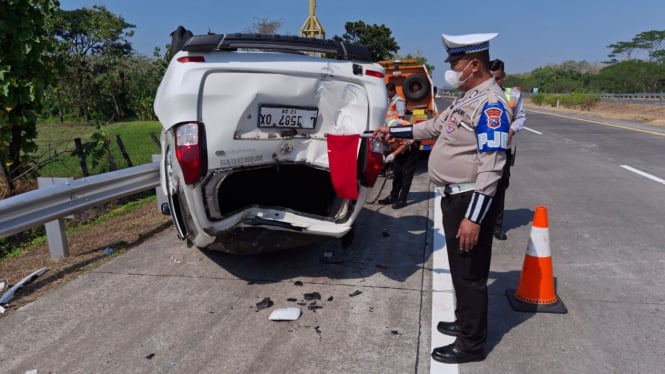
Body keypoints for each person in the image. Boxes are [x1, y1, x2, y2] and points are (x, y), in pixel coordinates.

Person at [374, 32, 512, 364]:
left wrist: (474, 218)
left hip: (468, 200)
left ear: (474, 65)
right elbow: (435, 127)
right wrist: (395, 131)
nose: (451, 69)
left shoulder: (490, 105)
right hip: (454, 198)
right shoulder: (468, 97)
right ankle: (465, 322)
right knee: (461, 271)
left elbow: (493, 167)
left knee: (470, 275)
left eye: (456, 63)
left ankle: (471, 344)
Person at [489, 59, 526, 240]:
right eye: (491, 78)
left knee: (500, 187)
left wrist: (512, 129)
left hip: (503, 149)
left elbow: (521, 117)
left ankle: (496, 226)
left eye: (498, 78)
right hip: (482, 150)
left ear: (503, 76)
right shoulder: (479, 95)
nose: (495, 82)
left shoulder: (513, 96)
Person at [377, 117, 420, 209]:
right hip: (399, 142)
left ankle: (402, 199)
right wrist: (385, 154)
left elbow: (407, 143)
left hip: (411, 146)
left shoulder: (399, 128)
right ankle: (393, 196)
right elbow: (384, 143)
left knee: (406, 174)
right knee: (397, 173)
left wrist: (393, 155)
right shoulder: (379, 127)